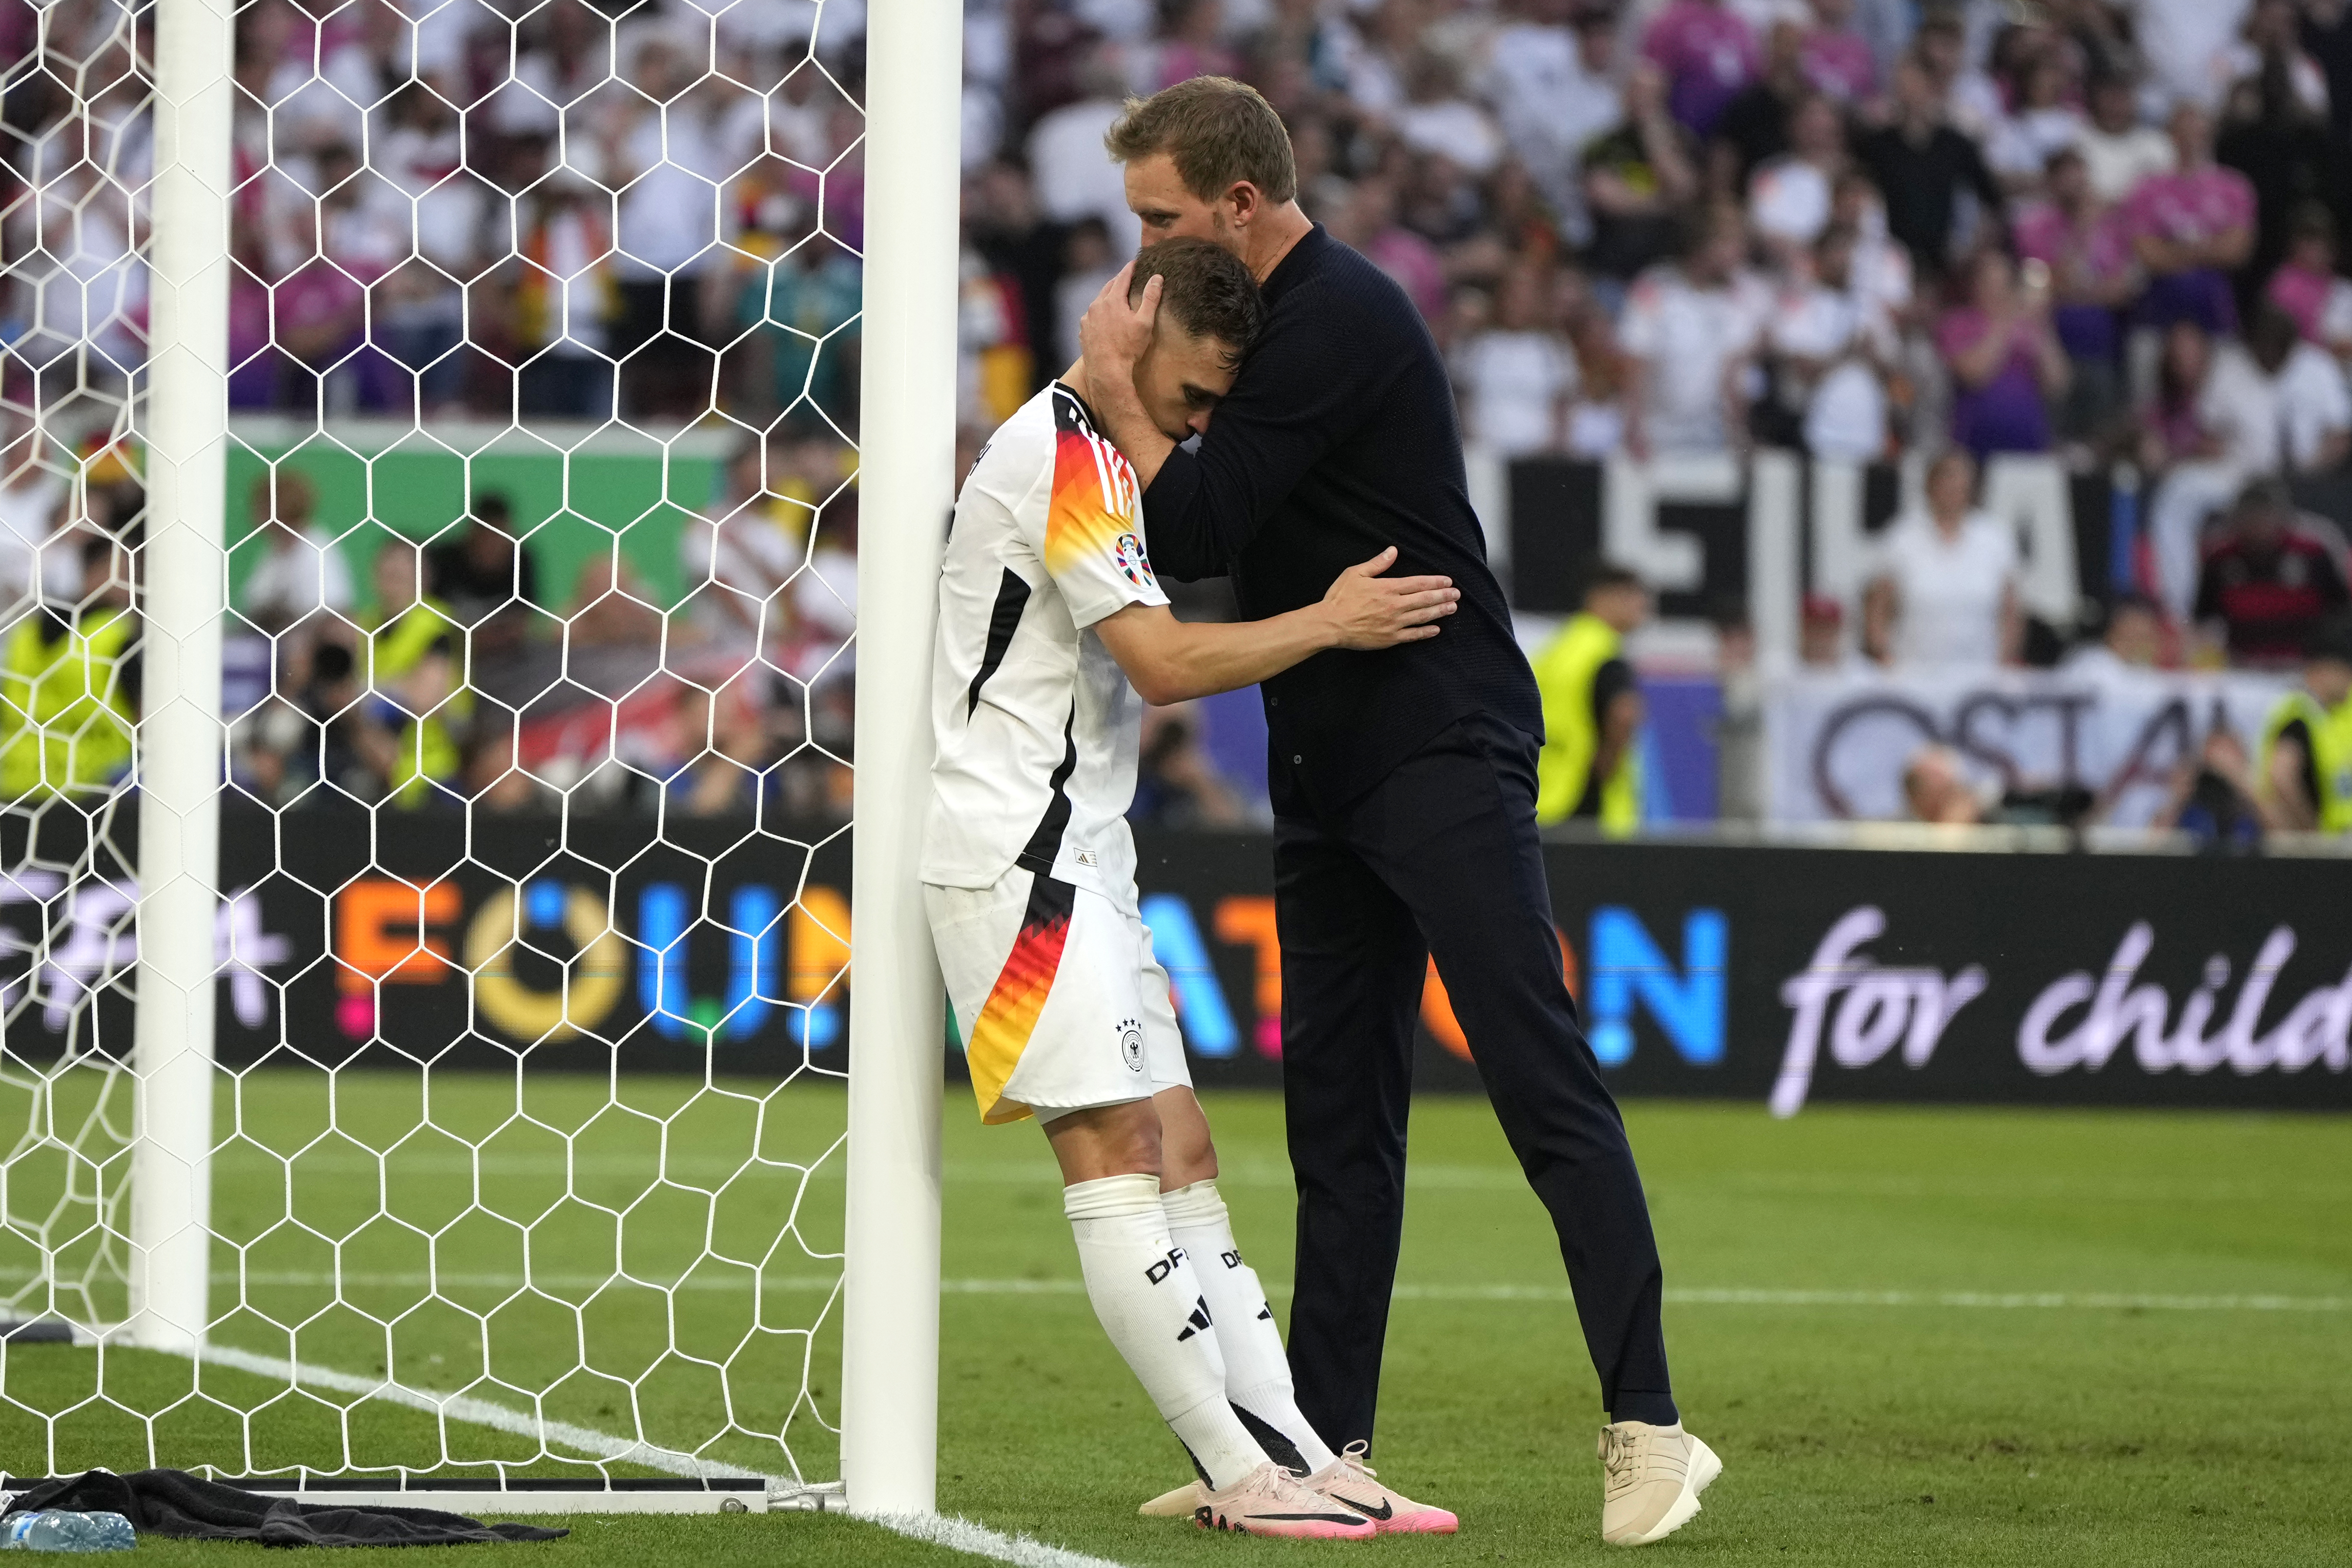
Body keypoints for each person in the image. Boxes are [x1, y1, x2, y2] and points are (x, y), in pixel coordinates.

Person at [1079, 77, 1718, 1547]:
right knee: (1339, 1126)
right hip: (1327, 754)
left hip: (1437, 738)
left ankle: (1650, 1424)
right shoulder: (1267, 326)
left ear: (1241, 206)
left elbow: (1195, 529)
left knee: (1534, 1072)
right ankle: (1325, 1450)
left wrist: (1115, 392)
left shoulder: (1339, 317)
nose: (1142, 253)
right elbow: (1219, 546)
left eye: (1161, 219)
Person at [928, 236, 1461, 1541]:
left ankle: (1299, 1452)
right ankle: (1235, 1469)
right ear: (1136, 321)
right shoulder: (1063, 453)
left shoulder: (1107, 456)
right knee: (1115, 1152)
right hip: (1014, 854)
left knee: (1183, 1147)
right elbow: (1162, 664)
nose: (1197, 425)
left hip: (1084, 850)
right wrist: (1329, 621)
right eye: (1190, 395)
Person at [1618, 207, 1769, 458]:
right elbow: (1636, 362)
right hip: (1656, 433)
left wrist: (1740, 437)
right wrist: (1634, 428)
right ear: (1703, 243)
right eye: (1731, 242)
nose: (1741, 251)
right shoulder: (1656, 287)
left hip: (1712, 436)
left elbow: (1733, 375)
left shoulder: (1740, 296)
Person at [1863, 447, 2022, 668]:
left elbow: (2011, 609)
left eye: (1960, 480)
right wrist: (1884, 657)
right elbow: (1878, 606)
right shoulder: (1902, 538)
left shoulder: (1995, 538)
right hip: (1914, 673)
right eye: (1946, 479)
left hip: (1979, 673)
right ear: (1930, 485)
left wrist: (2003, 661)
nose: (1953, 488)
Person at [1532, 563, 1652, 833]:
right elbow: (1624, 713)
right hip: (1589, 801)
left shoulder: (1557, 649)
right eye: (1631, 596)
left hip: (1546, 795)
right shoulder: (1605, 651)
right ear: (1602, 598)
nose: (1642, 606)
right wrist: (1607, 764)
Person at [2193, 478, 2352, 667]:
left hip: (2306, 666)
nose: (2258, 525)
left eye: (2264, 515)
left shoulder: (2313, 553)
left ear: (2281, 517)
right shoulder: (2221, 560)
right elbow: (2202, 620)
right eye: (2250, 516)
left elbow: (2341, 612)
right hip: (2242, 667)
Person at [1936, 248, 2070, 459]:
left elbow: (2058, 384)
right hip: (1974, 441)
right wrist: (2006, 322)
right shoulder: (1958, 322)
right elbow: (1973, 374)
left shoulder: (2031, 325)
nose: (1996, 291)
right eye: (1989, 283)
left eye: (2002, 283)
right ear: (1973, 285)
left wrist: (2042, 328)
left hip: (2028, 441)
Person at [2254, 612, 2352, 830]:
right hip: (2325, 842)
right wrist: (2311, 832)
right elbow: (2281, 776)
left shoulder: (2325, 714)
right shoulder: (2299, 716)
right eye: (2347, 672)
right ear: (2325, 669)